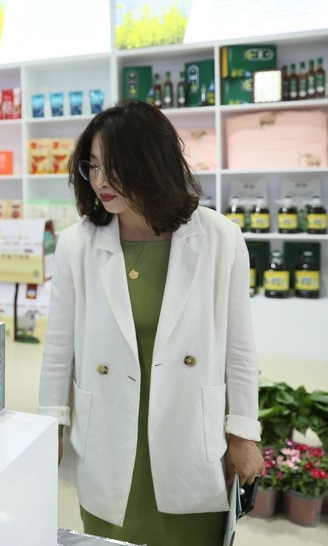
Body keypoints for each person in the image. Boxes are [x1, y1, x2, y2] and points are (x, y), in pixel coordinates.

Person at [38, 100, 263, 545]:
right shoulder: (76, 244)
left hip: (189, 433)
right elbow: (59, 349)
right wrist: (51, 429)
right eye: (92, 166)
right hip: (108, 433)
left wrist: (243, 433)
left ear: (154, 163)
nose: (100, 181)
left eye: (114, 167)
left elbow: (239, 349)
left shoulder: (219, 237)